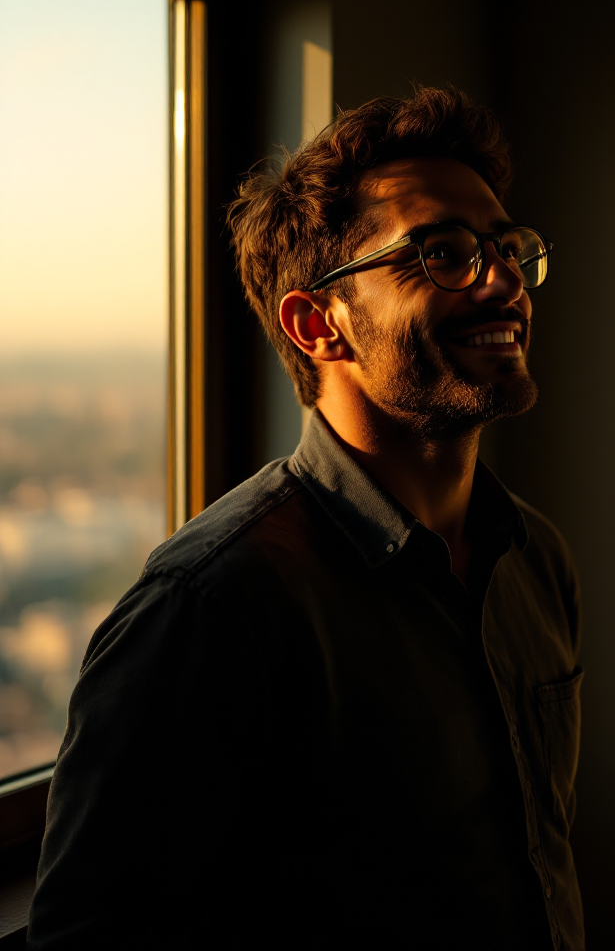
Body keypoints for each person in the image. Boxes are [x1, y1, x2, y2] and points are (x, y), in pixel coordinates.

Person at [27, 87, 584, 950]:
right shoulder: (211, 609)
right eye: (443, 253)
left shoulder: (534, 559)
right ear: (320, 323)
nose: (504, 279)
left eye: (507, 248)